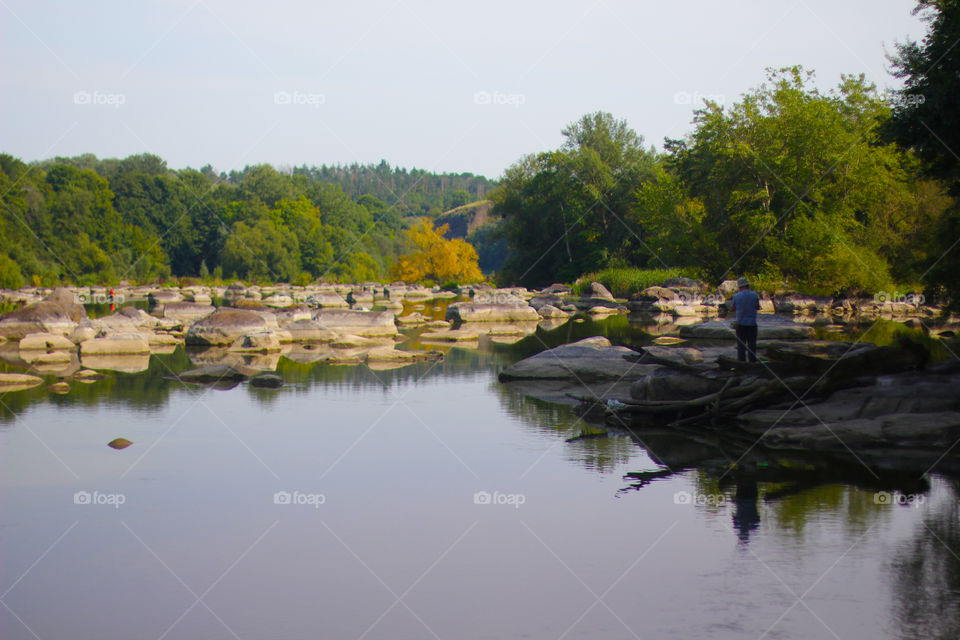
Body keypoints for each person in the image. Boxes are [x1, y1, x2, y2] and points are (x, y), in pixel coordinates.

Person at [730, 276, 760, 362]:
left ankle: (741, 363)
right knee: (752, 345)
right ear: (747, 285)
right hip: (752, 324)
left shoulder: (736, 296)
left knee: (741, 346)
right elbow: (757, 307)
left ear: (739, 287)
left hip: (741, 325)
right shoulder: (754, 295)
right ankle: (752, 362)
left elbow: (732, 309)